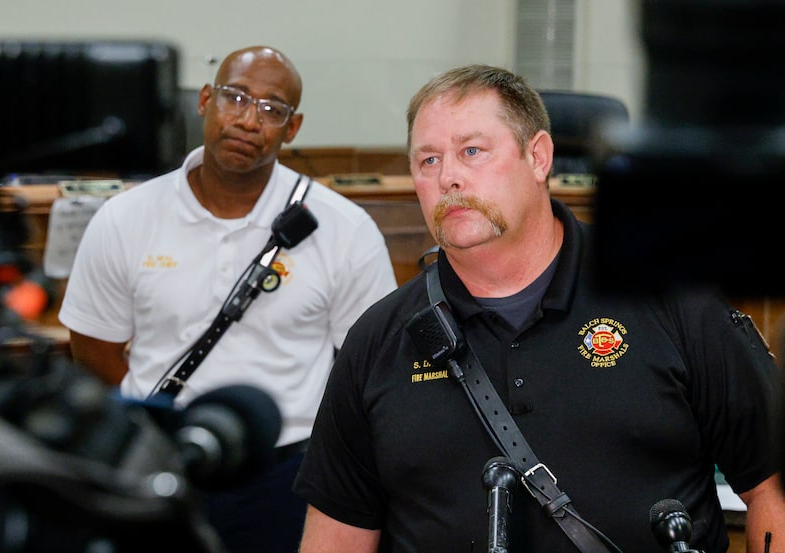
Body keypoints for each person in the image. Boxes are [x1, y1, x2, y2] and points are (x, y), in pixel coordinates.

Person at [292, 64, 785, 553]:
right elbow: (337, 535)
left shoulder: (670, 297)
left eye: (471, 151)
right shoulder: (378, 340)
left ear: (539, 157)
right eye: (428, 161)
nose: (448, 178)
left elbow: (771, 488)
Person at [58, 45, 398, 552]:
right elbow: (93, 347)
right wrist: (160, 423)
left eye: (271, 109)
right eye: (235, 97)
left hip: (289, 475)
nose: (247, 119)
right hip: (162, 458)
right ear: (204, 101)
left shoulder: (344, 229)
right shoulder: (127, 217)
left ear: (293, 128)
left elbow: (370, 367)